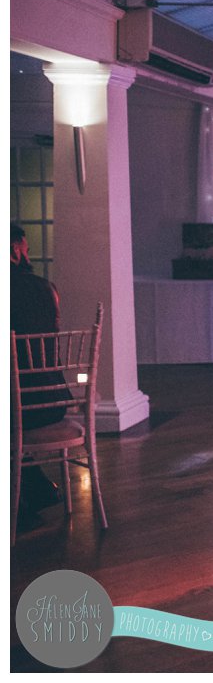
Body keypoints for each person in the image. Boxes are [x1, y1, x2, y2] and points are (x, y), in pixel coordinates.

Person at [10, 224, 68, 528]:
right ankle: (35, 490)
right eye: (26, 248)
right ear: (17, 247)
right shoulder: (48, 289)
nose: (28, 253)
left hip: (22, 408)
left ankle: (24, 497)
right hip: (53, 399)